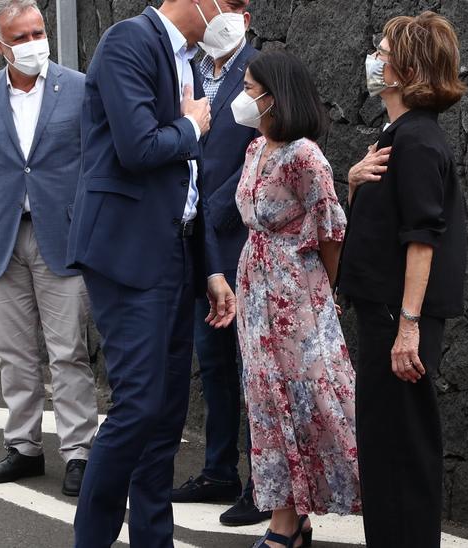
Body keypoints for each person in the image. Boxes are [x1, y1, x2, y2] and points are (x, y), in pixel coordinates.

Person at [65, 0, 245, 546]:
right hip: (128, 253)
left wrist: (212, 267)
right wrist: (191, 125)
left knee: (165, 418)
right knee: (139, 405)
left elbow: (189, 180)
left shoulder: (185, 58)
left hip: (177, 253)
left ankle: (152, 539)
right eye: (233, 3)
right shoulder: (129, 42)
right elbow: (139, 147)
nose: (239, 13)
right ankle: (91, 537)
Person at [0, 0, 99, 498]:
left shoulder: (79, 89)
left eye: (39, 31)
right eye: (22, 37)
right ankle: (24, 448)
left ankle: (79, 452)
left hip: (64, 237)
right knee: (14, 352)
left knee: (67, 351)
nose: (35, 42)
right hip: (0, 238)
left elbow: (95, 167)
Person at [339, 12, 466, 547]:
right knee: (387, 449)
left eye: (384, 49)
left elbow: (422, 236)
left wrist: (408, 325)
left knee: (399, 452)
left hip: (397, 318)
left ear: (406, 68)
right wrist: (352, 182)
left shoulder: (414, 140)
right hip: (386, 315)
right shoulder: (400, 135)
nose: (376, 57)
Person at [232, 49, 358, 548]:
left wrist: (327, 294)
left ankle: (307, 513)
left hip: (296, 295)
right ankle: (287, 516)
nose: (243, 97)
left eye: (249, 87)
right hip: (256, 290)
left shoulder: (305, 155)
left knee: (313, 401)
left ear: (274, 94)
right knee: (266, 405)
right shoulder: (254, 150)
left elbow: (330, 231)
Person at [168, 6, 271, 527]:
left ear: (243, 16)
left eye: (225, 6)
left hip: (237, 239)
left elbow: (265, 146)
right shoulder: (184, 68)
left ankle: (263, 483)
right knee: (212, 360)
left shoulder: (261, 70)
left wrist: (216, 209)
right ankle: (218, 469)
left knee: (251, 364)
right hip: (194, 239)